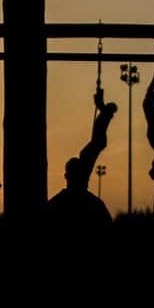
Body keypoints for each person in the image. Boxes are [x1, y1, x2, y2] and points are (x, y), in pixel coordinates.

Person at [45, 88, 117, 226]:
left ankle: (104, 110)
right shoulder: (94, 205)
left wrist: (104, 111)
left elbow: (96, 146)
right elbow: (95, 146)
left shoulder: (57, 204)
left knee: (91, 150)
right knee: (91, 150)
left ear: (66, 176)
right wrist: (104, 111)